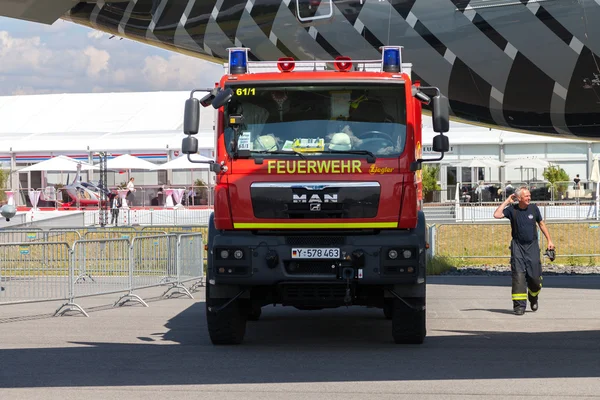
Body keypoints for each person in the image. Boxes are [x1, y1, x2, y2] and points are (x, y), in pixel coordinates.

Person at [493, 186, 555, 315]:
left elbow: (541, 224)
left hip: (532, 246)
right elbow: (497, 214)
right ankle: (519, 306)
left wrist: (549, 240)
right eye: (526, 196)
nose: (529, 198)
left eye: (529, 196)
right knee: (519, 276)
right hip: (517, 246)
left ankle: (533, 297)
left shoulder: (534, 208)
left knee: (534, 277)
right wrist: (506, 201)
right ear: (519, 198)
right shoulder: (512, 210)